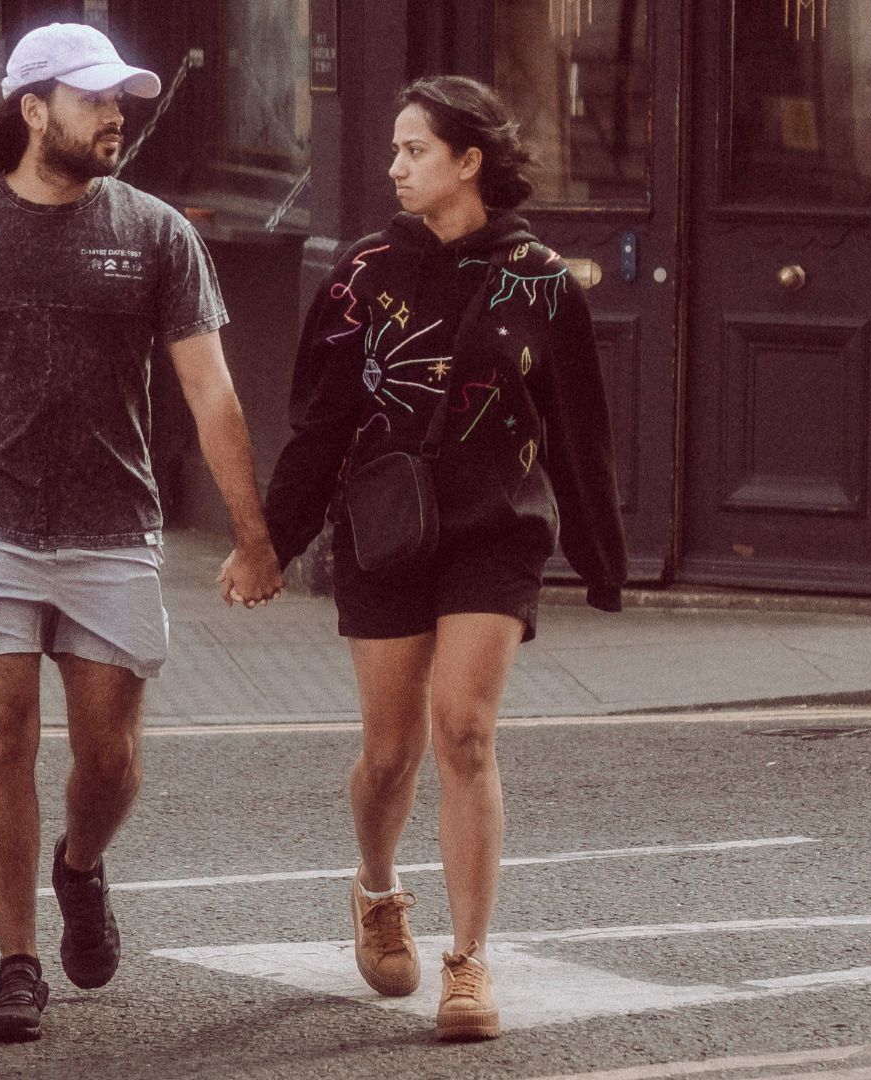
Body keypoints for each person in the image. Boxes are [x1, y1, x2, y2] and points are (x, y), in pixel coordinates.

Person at [0, 22, 284, 1043]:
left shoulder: (154, 233)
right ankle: (16, 963)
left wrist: (253, 530)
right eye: (94, 99)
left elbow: (210, 386)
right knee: (1, 745)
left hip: (110, 527)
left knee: (111, 759)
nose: (116, 115)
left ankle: (81, 867)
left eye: (121, 99)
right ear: (32, 109)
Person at [259, 75, 627, 1041]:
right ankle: (378, 888)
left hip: (497, 528)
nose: (394, 167)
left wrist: (599, 557)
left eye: (413, 150)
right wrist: (274, 541)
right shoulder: (362, 272)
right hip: (386, 530)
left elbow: (579, 430)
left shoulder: (545, 280)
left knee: (464, 730)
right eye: (392, 149)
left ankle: (469, 964)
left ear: (468, 161)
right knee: (391, 752)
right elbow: (320, 420)